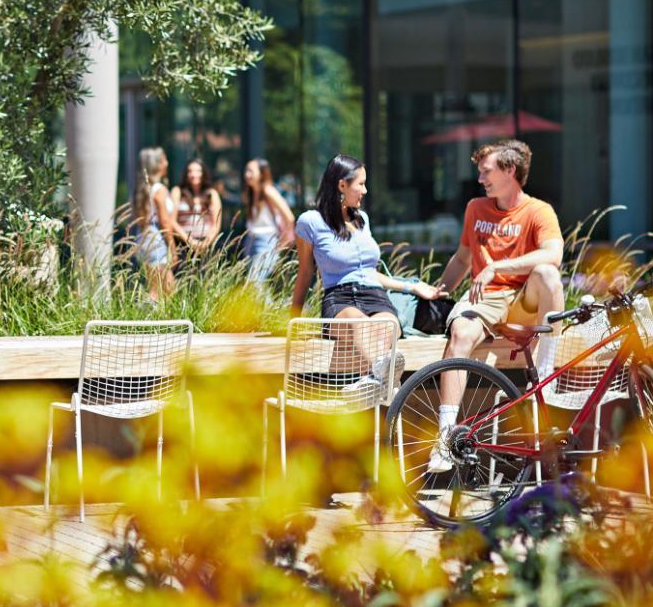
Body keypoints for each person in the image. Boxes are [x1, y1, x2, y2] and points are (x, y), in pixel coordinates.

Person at [429, 140, 563, 472]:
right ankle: (446, 438)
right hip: (485, 298)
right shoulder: (476, 208)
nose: (479, 178)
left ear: (509, 171)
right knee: (460, 332)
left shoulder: (538, 211)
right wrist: (440, 290)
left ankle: (545, 374)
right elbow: (462, 258)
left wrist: (498, 267)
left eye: (485, 171)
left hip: (523, 299)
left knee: (547, 274)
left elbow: (553, 256)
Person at [291, 154, 439, 392]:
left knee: (388, 327)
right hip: (340, 298)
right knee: (360, 325)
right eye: (360, 184)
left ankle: (371, 384)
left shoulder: (362, 220)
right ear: (342, 185)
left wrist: (412, 287)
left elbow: (370, 273)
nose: (365, 190)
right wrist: (294, 316)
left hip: (376, 296)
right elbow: (306, 271)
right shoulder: (310, 222)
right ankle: (389, 386)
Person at [131, 147, 182, 301]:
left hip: (144, 240)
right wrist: (173, 249)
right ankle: (148, 322)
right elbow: (165, 222)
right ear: (159, 165)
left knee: (157, 289)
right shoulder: (159, 189)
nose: (167, 163)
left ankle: (150, 321)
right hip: (157, 242)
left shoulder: (144, 189)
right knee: (164, 292)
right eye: (165, 160)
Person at [241, 158, 295, 282]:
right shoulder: (252, 192)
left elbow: (289, 217)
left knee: (254, 283)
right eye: (246, 171)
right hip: (250, 240)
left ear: (261, 173)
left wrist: (283, 242)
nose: (247, 175)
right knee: (255, 285)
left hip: (266, 241)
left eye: (251, 171)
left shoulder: (268, 191)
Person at [171, 159, 223, 261]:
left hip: (206, 245)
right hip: (183, 245)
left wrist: (205, 244)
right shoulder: (177, 192)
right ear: (186, 174)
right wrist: (190, 241)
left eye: (198, 171)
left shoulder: (212, 194)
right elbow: (172, 221)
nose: (194, 174)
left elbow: (216, 224)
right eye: (190, 171)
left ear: (203, 173)